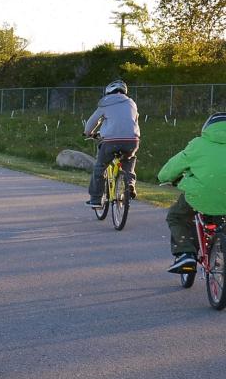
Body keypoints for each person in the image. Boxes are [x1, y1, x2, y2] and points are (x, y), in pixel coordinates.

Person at [157, 112, 226, 273]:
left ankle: (186, 253)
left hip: (200, 196)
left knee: (177, 216)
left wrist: (164, 177)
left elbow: (170, 170)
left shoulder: (198, 144)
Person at [83, 80, 140, 207]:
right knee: (128, 161)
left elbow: (93, 122)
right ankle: (130, 184)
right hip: (132, 141)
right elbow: (134, 120)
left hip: (111, 141)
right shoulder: (131, 103)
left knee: (100, 167)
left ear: (108, 92)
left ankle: (96, 199)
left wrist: (88, 133)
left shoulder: (105, 103)